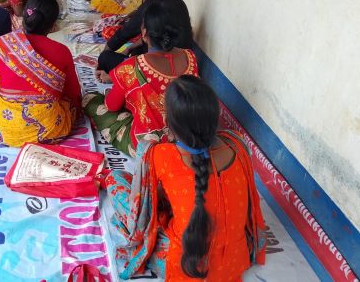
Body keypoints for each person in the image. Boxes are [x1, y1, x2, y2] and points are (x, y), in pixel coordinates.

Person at [104, 75, 267, 280]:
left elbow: (144, 212)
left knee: (115, 178)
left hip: (186, 267)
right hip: (236, 260)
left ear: (167, 122)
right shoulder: (238, 144)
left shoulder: (158, 154)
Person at [0, 0, 82, 147]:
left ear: (24, 17)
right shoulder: (62, 51)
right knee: (65, 97)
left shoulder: (1, 44)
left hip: (6, 130)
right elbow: (73, 93)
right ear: (53, 25)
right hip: (50, 132)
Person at [84, 0, 199, 156]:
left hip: (149, 147)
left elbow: (112, 106)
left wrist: (113, 91)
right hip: (185, 140)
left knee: (91, 99)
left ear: (144, 33)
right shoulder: (190, 57)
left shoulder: (131, 67)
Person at [97, 0, 192, 74]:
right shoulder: (180, 3)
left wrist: (105, 52)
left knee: (106, 58)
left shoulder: (151, 7)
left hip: (155, 69)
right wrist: (130, 47)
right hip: (182, 64)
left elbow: (125, 33)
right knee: (135, 48)